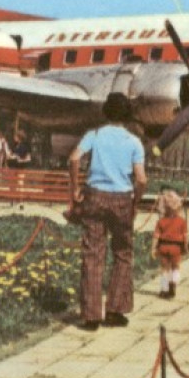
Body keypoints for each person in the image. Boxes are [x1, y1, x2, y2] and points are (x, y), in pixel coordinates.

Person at [68, 93, 147, 332]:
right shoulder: (134, 141)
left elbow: (73, 158)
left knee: (93, 253)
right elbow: (141, 179)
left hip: (94, 195)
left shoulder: (94, 135)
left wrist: (75, 189)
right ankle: (115, 310)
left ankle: (91, 316)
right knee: (123, 253)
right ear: (126, 115)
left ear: (105, 112)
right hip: (122, 198)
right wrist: (136, 202)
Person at [152, 189, 188, 299]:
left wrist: (153, 248)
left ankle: (164, 289)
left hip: (163, 246)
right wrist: (185, 247)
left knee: (165, 268)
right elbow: (185, 237)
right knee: (175, 267)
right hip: (176, 247)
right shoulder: (182, 221)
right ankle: (173, 285)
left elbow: (156, 236)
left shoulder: (161, 221)